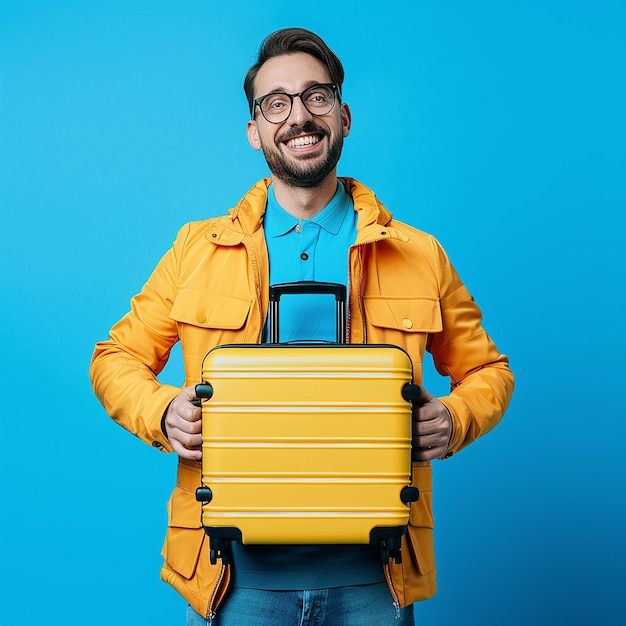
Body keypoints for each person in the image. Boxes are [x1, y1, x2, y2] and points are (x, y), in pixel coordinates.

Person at [90, 27, 514, 625]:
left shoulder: (420, 254)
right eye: (276, 103)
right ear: (255, 129)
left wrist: (457, 416)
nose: (299, 117)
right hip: (232, 583)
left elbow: (488, 371)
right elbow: (114, 357)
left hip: (375, 582)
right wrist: (163, 412)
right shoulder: (196, 249)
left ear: (342, 115)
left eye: (316, 97)